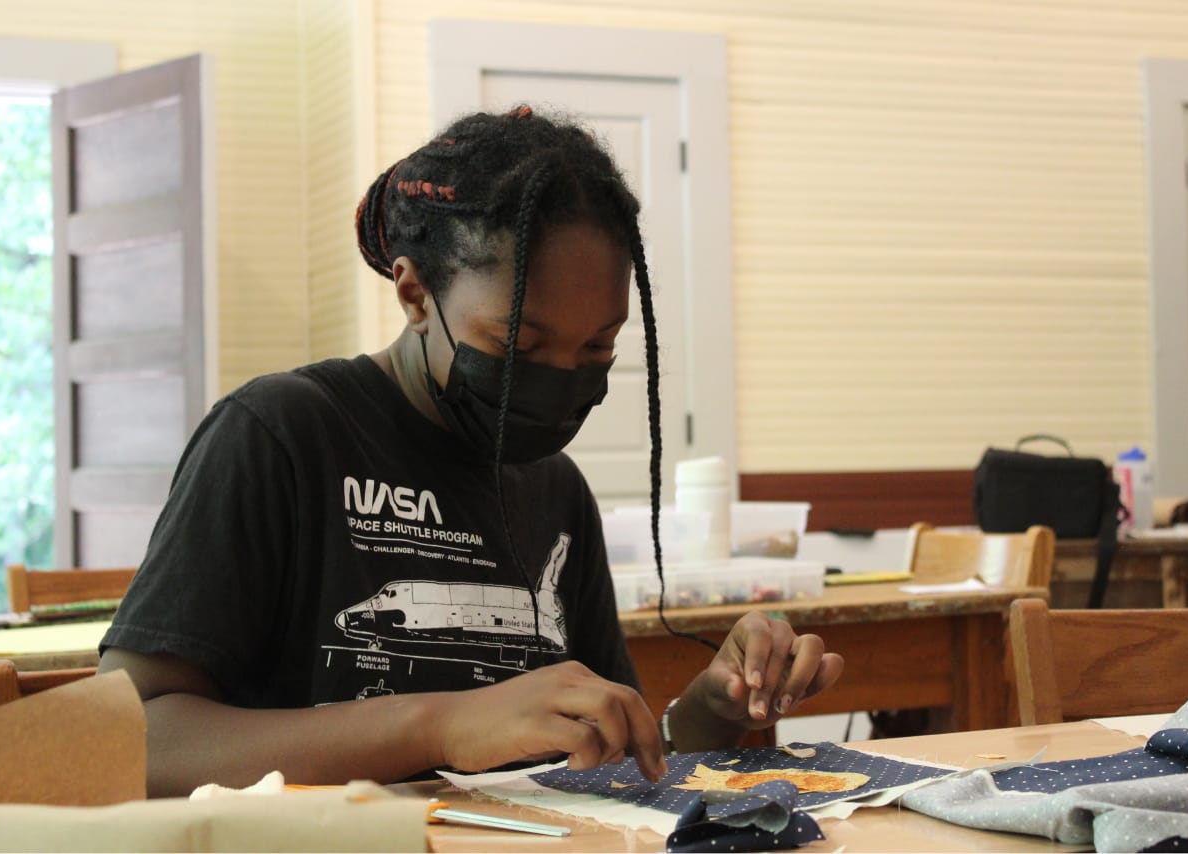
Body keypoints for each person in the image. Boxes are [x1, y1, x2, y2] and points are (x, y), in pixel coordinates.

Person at [98, 106, 844, 797]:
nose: (557, 378)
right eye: (516, 344)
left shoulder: (555, 492)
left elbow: (607, 763)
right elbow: (132, 742)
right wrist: (444, 724)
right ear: (415, 294)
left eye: (598, 346)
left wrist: (713, 708)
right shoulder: (281, 437)